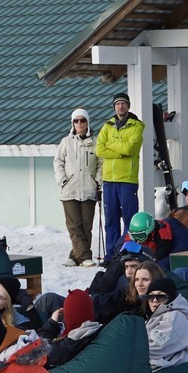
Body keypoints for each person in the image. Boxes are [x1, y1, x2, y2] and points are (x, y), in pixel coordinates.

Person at [95, 93, 146, 255]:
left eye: (123, 103)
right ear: (114, 107)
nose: (120, 106)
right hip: (109, 180)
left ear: (128, 106)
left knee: (130, 219)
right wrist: (119, 153)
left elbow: (130, 149)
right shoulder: (107, 125)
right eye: (117, 104)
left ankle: (126, 251)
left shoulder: (136, 126)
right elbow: (99, 149)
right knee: (111, 220)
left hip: (127, 180)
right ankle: (111, 254)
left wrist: (110, 146)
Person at [56, 107, 102, 266]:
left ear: (87, 122)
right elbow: (58, 162)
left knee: (86, 225)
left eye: (82, 120)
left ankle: (74, 256)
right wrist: (63, 180)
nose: (79, 123)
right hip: (69, 190)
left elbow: (101, 163)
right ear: (72, 123)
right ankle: (84, 257)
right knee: (74, 226)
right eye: (76, 120)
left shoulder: (95, 142)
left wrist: (97, 181)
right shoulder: (66, 142)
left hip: (89, 189)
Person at [140, 279, 188, 369]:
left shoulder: (173, 317)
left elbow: (156, 348)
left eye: (160, 297)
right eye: (150, 297)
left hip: (163, 368)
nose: (154, 300)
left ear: (170, 298)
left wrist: (129, 350)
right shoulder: (153, 317)